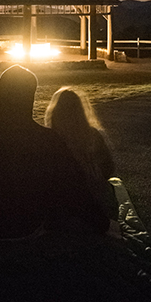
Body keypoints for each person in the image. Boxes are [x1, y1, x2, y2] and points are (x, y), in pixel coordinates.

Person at [0, 65, 110, 289]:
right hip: (28, 228)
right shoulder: (48, 140)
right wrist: (102, 223)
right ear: (29, 98)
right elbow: (73, 188)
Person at [45, 87, 119, 222]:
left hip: (61, 208)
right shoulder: (93, 136)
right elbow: (109, 169)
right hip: (97, 204)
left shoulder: (49, 139)